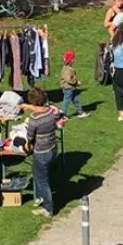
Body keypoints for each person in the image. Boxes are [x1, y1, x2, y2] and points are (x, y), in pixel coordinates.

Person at [24, 88, 65, 217]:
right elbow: (56, 114)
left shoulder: (34, 119)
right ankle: (41, 197)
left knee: (42, 180)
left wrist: (27, 145)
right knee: (37, 173)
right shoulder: (51, 112)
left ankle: (48, 208)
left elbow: (30, 136)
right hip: (52, 147)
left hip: (41, 151)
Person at [59, 50, 84, 118]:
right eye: (73, 59)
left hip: (71, 88)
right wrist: (76, 82)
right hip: (68, 88)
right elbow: (69, 79)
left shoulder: (68, 68)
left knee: (76, 100)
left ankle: (80, 112)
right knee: (66, 101)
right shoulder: (68, 69)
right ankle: (63, 114)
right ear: (70, 61)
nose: (74, 60)